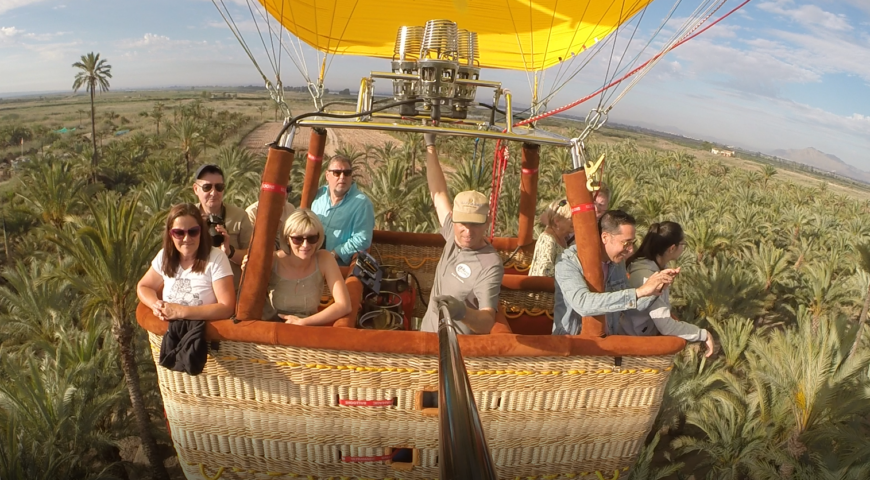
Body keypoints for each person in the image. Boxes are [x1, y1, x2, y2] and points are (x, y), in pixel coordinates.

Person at [419, 132, 504, 335]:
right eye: (463, 223)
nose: (467, 231)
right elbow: (438, 192)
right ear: (454, 220)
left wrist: (461, 311)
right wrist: (430, 145)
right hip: (425, 337)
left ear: (487, 223)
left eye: (475, 225)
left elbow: (486, 322)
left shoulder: (490, 264)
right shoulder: (452, 232)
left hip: (455, 351)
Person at [553, 210, 676, 336]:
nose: (630, 250)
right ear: (605, 237)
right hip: (571, 347)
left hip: (608, 343)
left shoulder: (617, 262)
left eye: (632, 243)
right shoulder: (567, 262)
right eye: (626, 243)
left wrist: (654, 290)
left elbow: (629, 307)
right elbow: (583, 304)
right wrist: (639, 292)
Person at [622, 222, 715, 357]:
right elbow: (665, 325)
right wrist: (702, 334)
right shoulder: (648, 276)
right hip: (635, 343)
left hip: (636, 333)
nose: (683, 248)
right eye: (683, 244)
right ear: (672, 248)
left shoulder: (645, 266)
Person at [137, 203, 235, 321]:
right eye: (179, 233)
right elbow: (144, 286)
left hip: (203, 336)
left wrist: (181, 311)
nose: (186, 239)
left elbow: (227, 307)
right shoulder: (164, 256)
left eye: (193, 232)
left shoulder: (217, 258)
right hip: (171, 334)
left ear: (201, 232)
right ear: (170, 234)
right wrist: (155, 304)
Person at [260, 209, 352, 326]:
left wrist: (303, 322)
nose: (305, 245)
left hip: (308, 329)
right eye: (297, 239)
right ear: (287, 239)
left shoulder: (324, 259)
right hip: (274, 328)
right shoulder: (273, 260)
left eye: (311, 238)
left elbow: (344, 305)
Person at [192, 164, 252, 286]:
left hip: (232, 290)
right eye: (207, 187)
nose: (214, 193)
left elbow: (252, 257)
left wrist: (230, 251)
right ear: (195, 189)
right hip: (198, 290)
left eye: (219, 187)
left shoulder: (239, 216)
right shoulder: (187, 218)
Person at [310, 156, 375, 266]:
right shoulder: (318, 195)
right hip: (310, 262)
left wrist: (334, 254)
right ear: (327, 175)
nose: (342, 177)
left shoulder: (362, 204)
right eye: (337, 173)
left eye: (347, 173)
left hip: (337, 269)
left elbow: (362, 239)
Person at [528, 199, 573, 277]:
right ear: (557, 221)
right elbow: (545, 272)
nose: (575, 221)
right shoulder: (547, 239)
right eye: (571, 218)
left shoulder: (562, 239)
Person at [246, 184, 296, 254]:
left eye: (288, 189)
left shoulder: (290, 209)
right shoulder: (252, 213)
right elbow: (253, 246)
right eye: (279, 189)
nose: (285, 194)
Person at [567, 182, 610, 247]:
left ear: (607, 206)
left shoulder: (607, 228)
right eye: (593, 203)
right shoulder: (570, 222)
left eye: (601, 205)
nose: (596, 208)